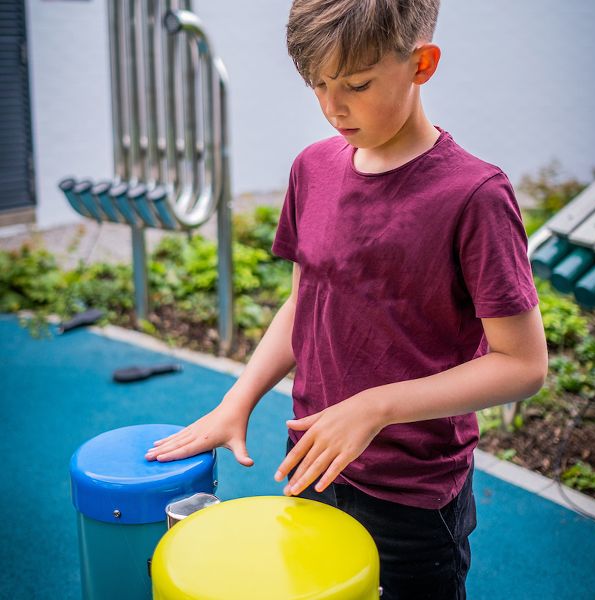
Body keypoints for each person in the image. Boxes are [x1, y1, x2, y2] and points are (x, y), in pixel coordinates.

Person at [146, 1, 548, 597]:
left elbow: (523, 364)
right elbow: (305, 303)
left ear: (422, 64)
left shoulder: (475, 195)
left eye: (357, 85)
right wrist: (240, 399)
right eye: (318, 86)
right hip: (311, 460)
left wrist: (376, 406)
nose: (335, 107)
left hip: (413, 494)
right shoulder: (313, 168)